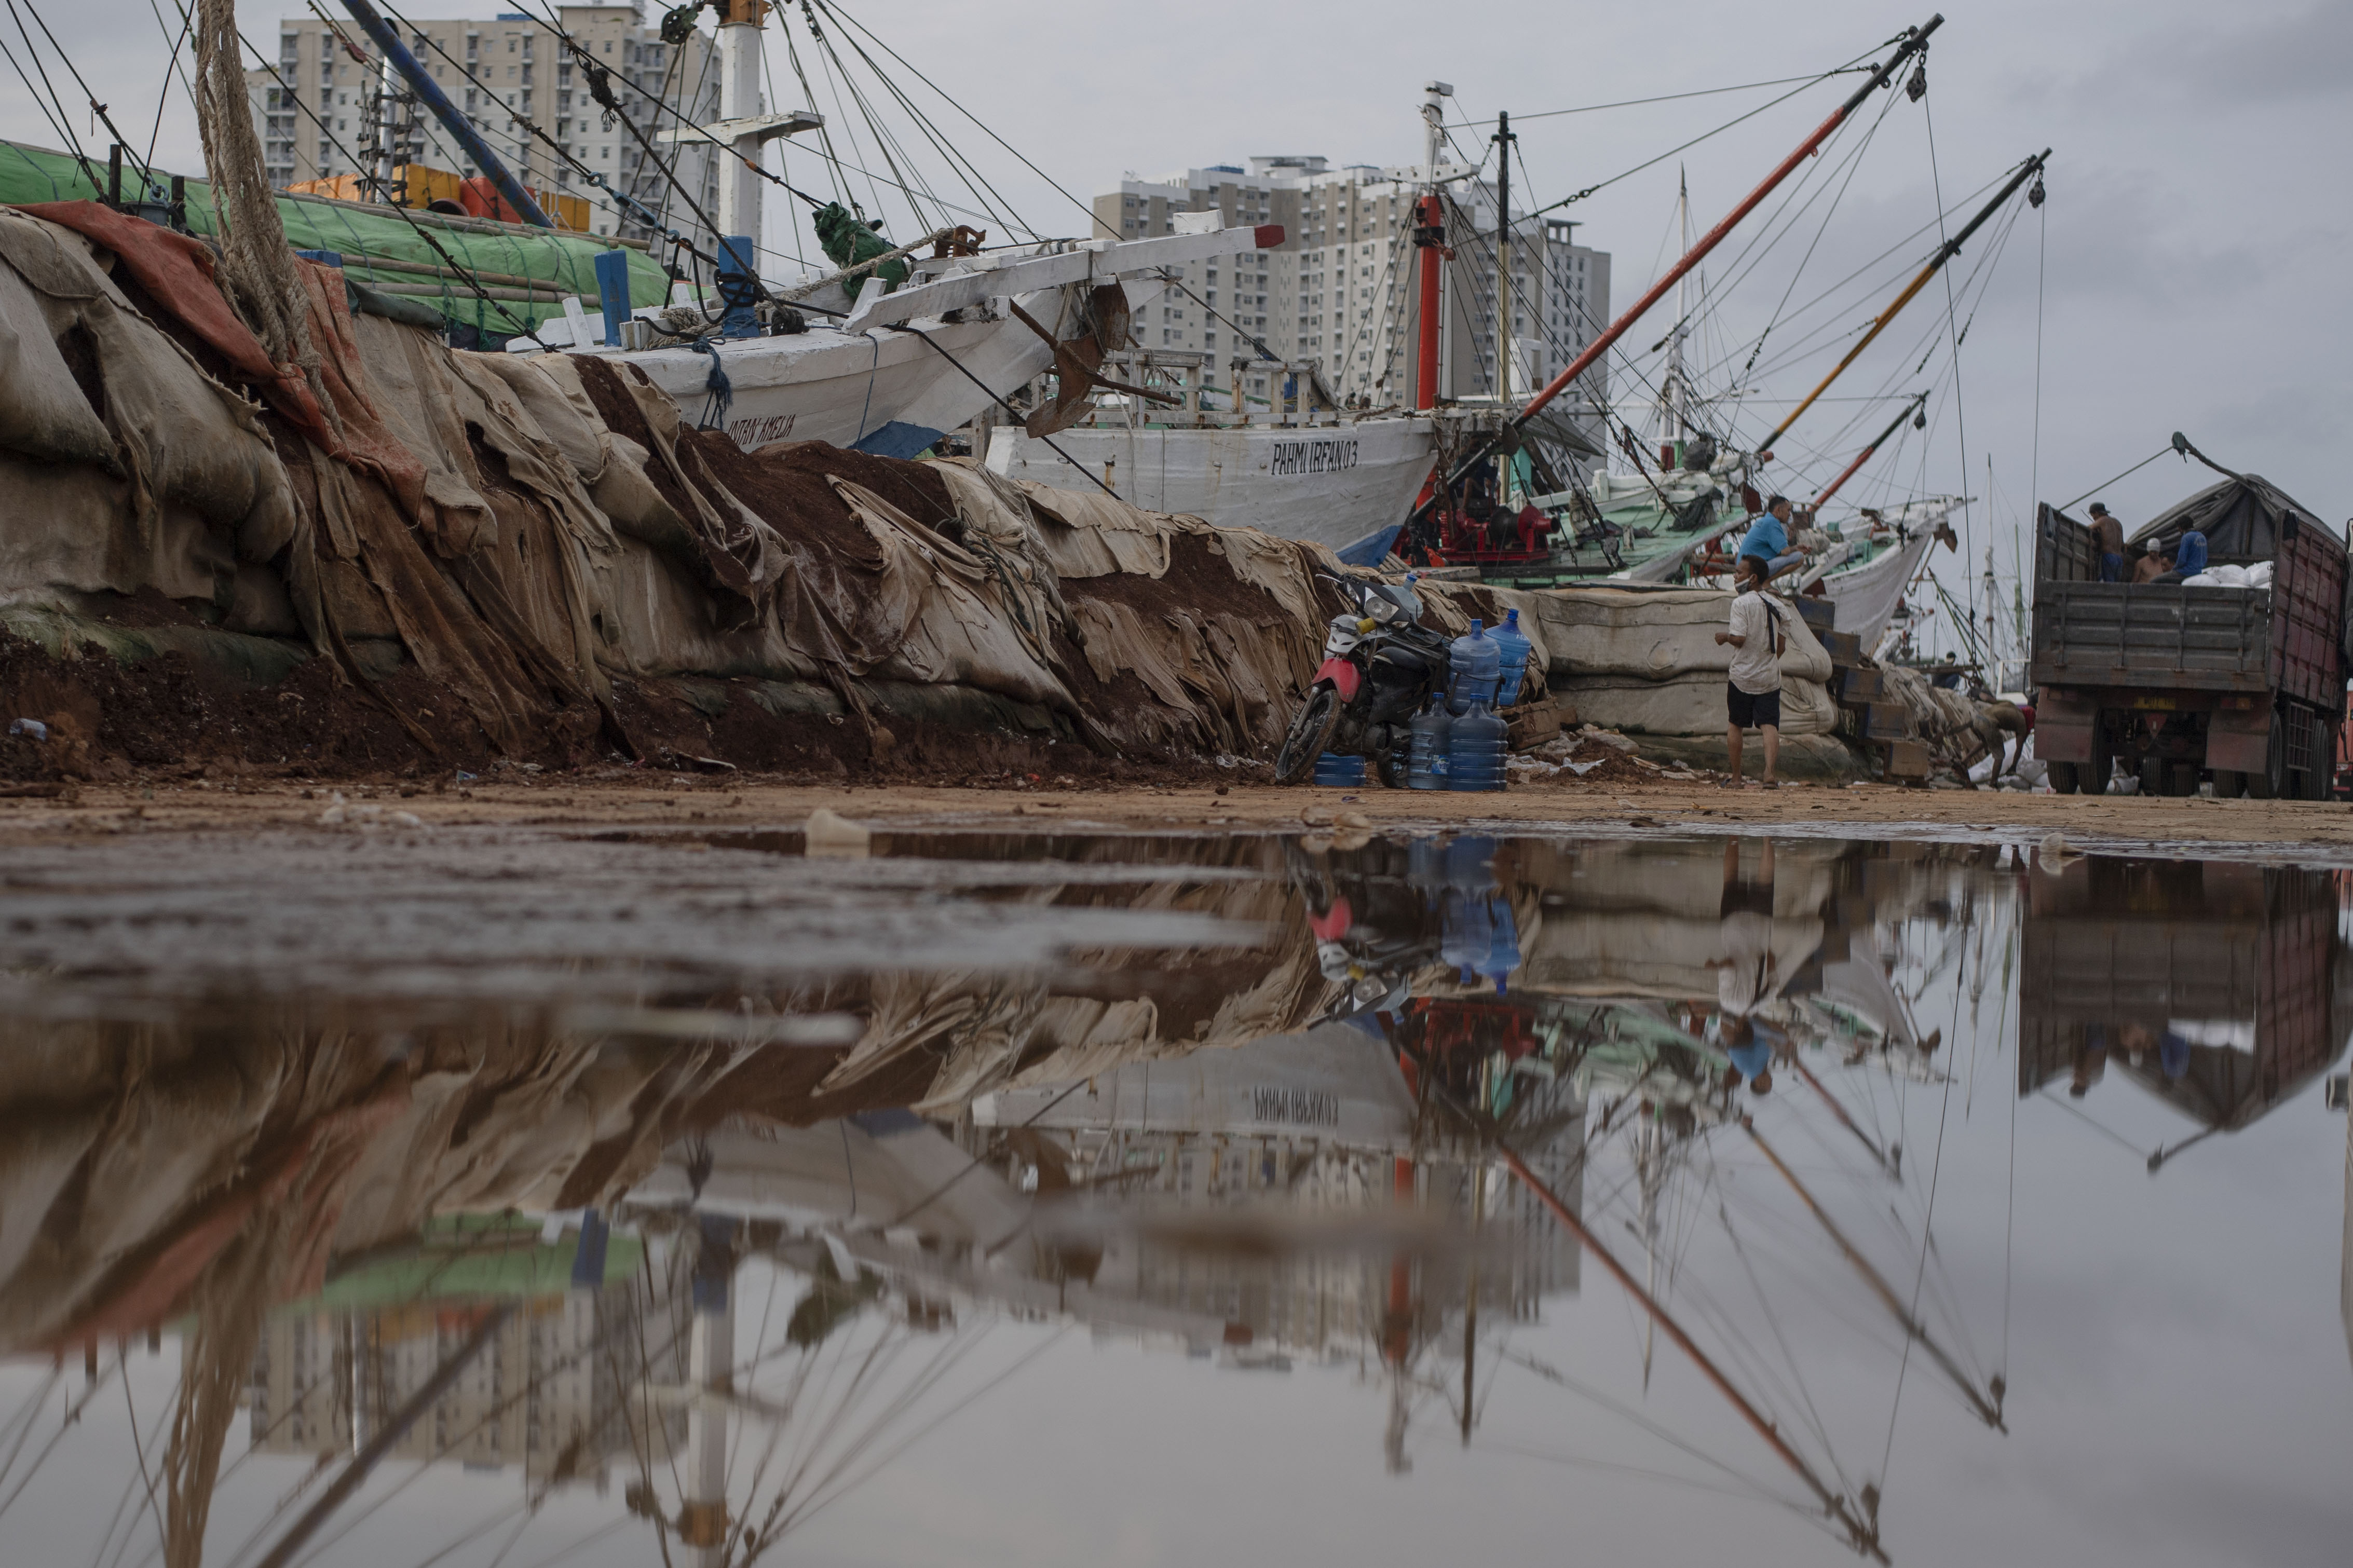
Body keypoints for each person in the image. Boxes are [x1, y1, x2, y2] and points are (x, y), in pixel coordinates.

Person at [1714, 555, 1783, 787]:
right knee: (1769, 726)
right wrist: (1767, 662)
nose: (1735, 577)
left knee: (1736, 725)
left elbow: (1740, 639)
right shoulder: (1777, 605)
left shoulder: (1741, 603)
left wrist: (1725, 638)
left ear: (1753, 578)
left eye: (1739, 573)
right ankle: (1769, 775)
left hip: (1742, 677)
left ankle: (1736, 778)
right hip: (1769, 678)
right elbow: (1781, 647)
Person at [2089, 502, 2125, 582]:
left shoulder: (2102, 520)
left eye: (2093, 516)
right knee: (2116, 585)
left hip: (2109, 557)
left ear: (2096, 513)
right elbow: (2122, 543)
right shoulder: (2117, 523)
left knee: (2109, 586)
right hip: (2119, 559)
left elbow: (2088, 528)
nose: (2094, 518)